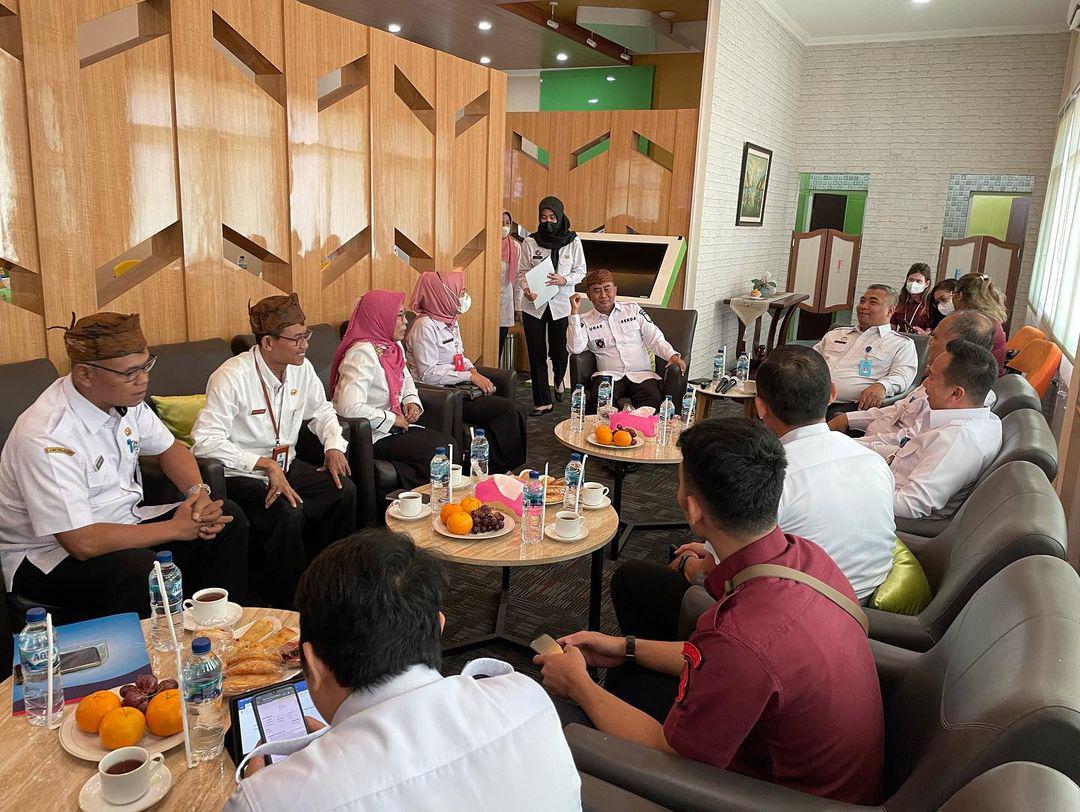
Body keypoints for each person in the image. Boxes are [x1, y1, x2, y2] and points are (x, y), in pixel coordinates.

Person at [534, 418, 883, 805]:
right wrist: (625, 647)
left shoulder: (742, 638)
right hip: (823, 776)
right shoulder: (807, 558)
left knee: (549, 719)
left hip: (766, 797)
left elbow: (670, 753)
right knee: (632, 674)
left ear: (694, 509)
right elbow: (718, 662)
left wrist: (577, 685)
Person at [225, 530, 581, 812]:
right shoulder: (525, 696)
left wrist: (266, 791)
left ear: (313, 664)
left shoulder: (270, 799)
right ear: (438, 627)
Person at [613, 346, 894, 652]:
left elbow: (714, 572)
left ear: (760, 407)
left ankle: (665, 665)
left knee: (635, 577)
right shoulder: (873, 460)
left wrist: (689, 565)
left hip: (788, 621)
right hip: (869, 607)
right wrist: (707, 551)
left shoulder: (769, 474)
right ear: (832, 394)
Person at [0, 313, 248, 620]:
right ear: (85, 374)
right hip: (48, 556)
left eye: (146, 366)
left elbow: (170, 448)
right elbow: (81, 542)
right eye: (130, 372)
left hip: (125, 522)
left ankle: (216, 627)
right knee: (141, 570)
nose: (143, 379)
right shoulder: (46, 435)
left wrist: (198, 495)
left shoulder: (124, 400)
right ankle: (156, 648)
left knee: (226, 519)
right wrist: (175, 528)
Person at [191, 294, 356, 608]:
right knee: (286, 511)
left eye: (306, 335)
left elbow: (322, 412)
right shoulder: (231, 377)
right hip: (242, 475)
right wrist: (263, 464)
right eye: (297, 339)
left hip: (286, 466)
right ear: (268, 342)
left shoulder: (301, 369)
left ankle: (331, 582)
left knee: (341, 490)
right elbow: (205, 441)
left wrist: (334, 445)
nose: (305, 345)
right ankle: (290, 601)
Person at [860, 339, 1002, 520]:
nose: (925, 383)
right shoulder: (982, 417)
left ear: (956, 393)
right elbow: (904, 453)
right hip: (882, 478)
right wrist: (849, 446)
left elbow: (909, 506)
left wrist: (853, 488)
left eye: (932, 377)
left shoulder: (957, 440)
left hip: (884, 511)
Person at [331, 290, 455, 490]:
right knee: (440, 449)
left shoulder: (392, 345)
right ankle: (422, 500)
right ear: (380, 317)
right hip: (371, 433)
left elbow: (405, 377)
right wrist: (392, 419)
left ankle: (409, 496)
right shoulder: (361, 353)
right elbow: (348, 407)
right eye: (399, 316)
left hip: (394, 427)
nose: (406, 322)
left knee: (445, 446)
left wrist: (411, 400)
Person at [406, 270, 526, 474]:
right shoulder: (424, 326)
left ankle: (501, 468)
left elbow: (459, 355)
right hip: (440, 395)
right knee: (507, 411)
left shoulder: (450, 320)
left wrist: (471, 368)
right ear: (444, 294)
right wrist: (469, 376)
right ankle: (502, 471)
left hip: (458, 387)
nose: (464, 296)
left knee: (515, 409)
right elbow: (428, 374)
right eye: (460, 291)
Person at [829, 309, 995, 439]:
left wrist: (849, 445)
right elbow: (897, 410)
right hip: (867, 438)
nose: (930, 342)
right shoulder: (936, 379)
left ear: (956, 346)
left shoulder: (949, 396)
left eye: (935, 337)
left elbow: (903, 445)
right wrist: (847, 419)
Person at [567, 268, 686, 412]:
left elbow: (654, 338)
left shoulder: (633, 310)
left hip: (641, 375)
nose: (603, 295)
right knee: (600, 408)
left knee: (653, 404)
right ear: (589, 295)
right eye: (596, 291)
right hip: (608, 377)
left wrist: (671, 355)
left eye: (607, 289)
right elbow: (575, 348)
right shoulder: (585, 321)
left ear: (615, 290)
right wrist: (574, 314)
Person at [517, 196, 587, 416]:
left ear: (560, 216)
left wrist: (564, 280)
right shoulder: (530, 242)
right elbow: (521, 273)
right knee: (536, 352)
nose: (548, 221)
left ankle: (558, 377)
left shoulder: (573, 241)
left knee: (559, 350)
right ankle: (542, 401)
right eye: (543, 217)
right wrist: (526, 289)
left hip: (561, 304)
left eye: (552, 217)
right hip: (534, 305)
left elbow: (581, 271)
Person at [813, 284, 919, 414]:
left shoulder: (901, 344)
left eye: (873, 302)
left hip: (849, 407)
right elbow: (809, 360)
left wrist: (882, 386)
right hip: (808, 398)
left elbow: (902, 376)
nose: (863, 306)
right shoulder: (836, 334)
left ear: (890, 311)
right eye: (862, 301)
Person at [953, 273, 1008, 375]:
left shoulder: (975, 323)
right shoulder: (990, 319)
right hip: (990, 374)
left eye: (953, 293)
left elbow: (953, 354)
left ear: (959, 296)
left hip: (977, 377)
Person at [499, 210, 521, 362]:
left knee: (500, 341)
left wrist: (518, 306)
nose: (505, 227)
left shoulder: (515, 247)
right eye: (501, 223)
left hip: (506, 300)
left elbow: (518, 278)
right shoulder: (486, 245)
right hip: (487, 300)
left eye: (507, 223)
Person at [891, 263, 932, 334]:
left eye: (918, 281)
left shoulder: (930, 304)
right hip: (901, 338)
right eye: (911, 280)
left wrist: (924, 333)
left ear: (927, 284)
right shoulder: (899, 301)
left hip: (921, 339)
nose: (913, 284)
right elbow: (892, 326)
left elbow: (932, 330)